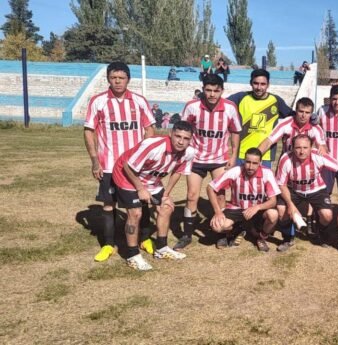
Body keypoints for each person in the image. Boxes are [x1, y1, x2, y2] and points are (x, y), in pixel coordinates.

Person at [83, 62, 155, 263]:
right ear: (108, 79)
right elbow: (89, 130)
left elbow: (149, 128)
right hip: (108, 164)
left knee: (143, 200)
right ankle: (108, 244)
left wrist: (146, 157)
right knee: (108, 204)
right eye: (113, 77)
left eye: (121, 78)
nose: (117, 81)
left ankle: (145, 238)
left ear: (128, 80)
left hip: (134, 165)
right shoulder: (98, 102)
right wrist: (95, 160)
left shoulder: (139, 101)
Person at [111, 121, 196, 270]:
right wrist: (140, 189)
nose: (181, 141)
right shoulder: (153, 145)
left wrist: (166, 194)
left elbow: (178, 171)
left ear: (191, 139)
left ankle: (161, 249)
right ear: (170, 134)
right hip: (127, 176)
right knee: (135, 213)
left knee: (166, 207)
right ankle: (132, 255)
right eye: (178, 136)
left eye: (186, 138)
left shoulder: (189, 153)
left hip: (151, 179)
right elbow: (127, 166)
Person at [174, 74, 242, 250]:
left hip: (219, 159)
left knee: (220, 197)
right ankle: (187, 234)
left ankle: (221, 234)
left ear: (222, 91)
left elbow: (235, 131)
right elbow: (182, 129)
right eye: (208, 90)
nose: (212, 94)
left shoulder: (230, 108)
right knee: (191, 195)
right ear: (203, 89)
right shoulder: (192, 106)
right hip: (196, 159)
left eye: (216, 91)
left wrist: (233, 155)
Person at [274, 135, 338, 251]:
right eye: (298, 148)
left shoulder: (318, 155)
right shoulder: (286, 158)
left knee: (327, 215)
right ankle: (288, 238)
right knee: (282, 211)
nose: (301, 151)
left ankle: (320, 232)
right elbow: (282, 185)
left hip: (316, 189)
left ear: (311, 147)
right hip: (295, 190)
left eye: (305, 148)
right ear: (292, 147)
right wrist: (290, 205)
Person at [207, 148, 280, 251]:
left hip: (257, 209)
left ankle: (261, 238)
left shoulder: (267, 173)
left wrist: (257, 207)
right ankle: (236, 229)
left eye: (255, 163)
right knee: (217, 227)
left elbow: (273, 201)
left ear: (260, 163)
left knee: (273, 215)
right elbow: (210, 187)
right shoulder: (236, 171)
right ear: (244, 161)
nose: (250, 166)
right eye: (248, 162)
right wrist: (218, 211)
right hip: (237, 208)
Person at [228, 69, 292, 168]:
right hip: (242, 154)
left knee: (262, 183)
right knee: (240, 183)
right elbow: (221, 103)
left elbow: (294, 116)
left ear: (268, 84)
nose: (259, 87)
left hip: (265, 155)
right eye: (256, 83)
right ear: (250, 83)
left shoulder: (276, 101)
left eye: (263, 84)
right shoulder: (240, 97)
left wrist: (313, 118)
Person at [257, 97, 328, 157]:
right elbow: (268, 141)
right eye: (301, 111)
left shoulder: (315, 128)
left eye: (307, 112)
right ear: (296, 111)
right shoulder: (286, 123)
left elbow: (322, 148)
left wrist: (322, 148)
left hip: (306, 166)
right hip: (286, 164)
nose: (303, 115)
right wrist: (255, 157)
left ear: (311, 113)